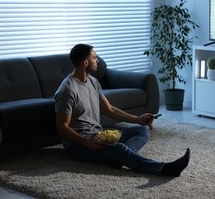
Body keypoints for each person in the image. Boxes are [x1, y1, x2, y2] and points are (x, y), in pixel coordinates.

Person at [54, 43, 190, 177]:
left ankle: (115, 158)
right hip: (78, 146)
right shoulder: (67, 90)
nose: (97, 61)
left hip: (98, 135)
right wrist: (87, 142)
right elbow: (62, 127)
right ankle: (164, 169)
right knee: (120, 149)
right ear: (85, 63)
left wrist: (138, 119)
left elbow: (109, 109)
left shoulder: (93, 82)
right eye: (94, 58)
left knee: (142, 130)